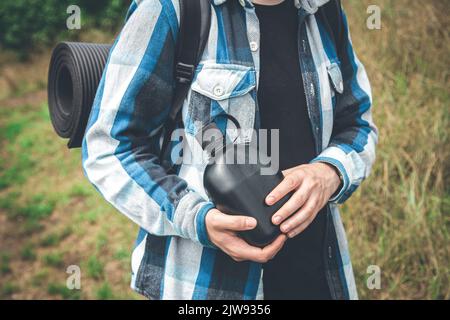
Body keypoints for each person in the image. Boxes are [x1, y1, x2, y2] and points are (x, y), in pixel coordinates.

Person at [82, 0, 378, 300]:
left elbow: (358, 123)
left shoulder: (323, 10)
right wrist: (197, 219)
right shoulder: (171, 9)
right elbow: (109, 147)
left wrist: (329, 173)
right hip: (208, 287)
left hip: (319, 276)